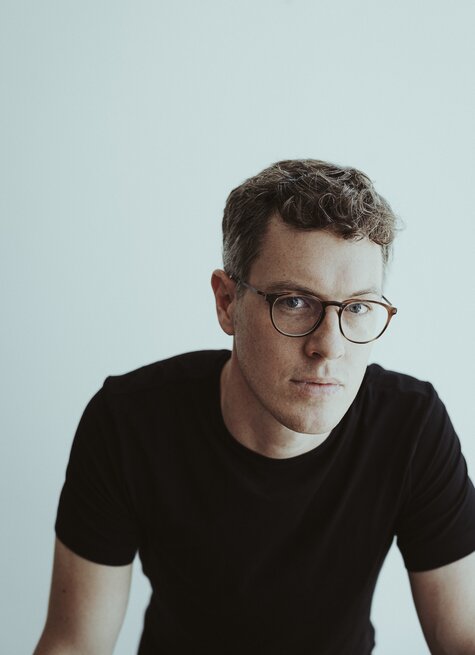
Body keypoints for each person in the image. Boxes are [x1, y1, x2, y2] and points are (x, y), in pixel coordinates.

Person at [34, 160, 475, 655]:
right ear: (227, 302)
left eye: (356, 307)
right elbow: (74, 644)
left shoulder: (411, 426)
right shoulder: (129, 423)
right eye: (294, 302)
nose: (329, 347)